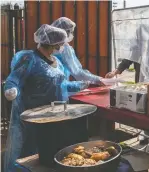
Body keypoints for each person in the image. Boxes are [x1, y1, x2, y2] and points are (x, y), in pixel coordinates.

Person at [3, 24, 89, 172]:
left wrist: (80, 85)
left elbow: (62, 85)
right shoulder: (30, 59)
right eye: (61, 44)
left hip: (55, 115)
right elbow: (14, 78)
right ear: (52, 44)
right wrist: (10, 89)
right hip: (34, 116)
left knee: (50, 150)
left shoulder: (57, 61)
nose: (63, 46)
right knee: (30, 152)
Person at [105, 24, 149, 145]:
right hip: (140, 84)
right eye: (138, 35)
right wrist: (115, 71)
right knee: (142, 109)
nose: (139, 37)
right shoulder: (137, 47)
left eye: (141, 34)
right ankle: (147, 135)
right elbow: (127, 61)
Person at [51, 17, 103, 85]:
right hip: (60, 87)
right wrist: (99, 79)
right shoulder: (64, 48)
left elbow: (78, 70)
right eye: (70, 32)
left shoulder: (49, 44)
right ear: (64, 32)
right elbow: (77, 73)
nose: (72, 35)